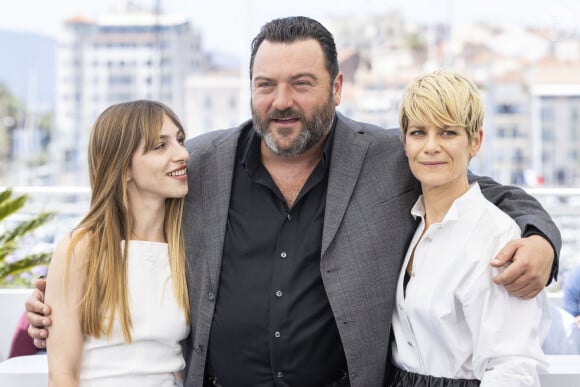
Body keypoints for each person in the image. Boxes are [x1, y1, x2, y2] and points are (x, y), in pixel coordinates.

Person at [27, 17, 560, 387]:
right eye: (266, 84)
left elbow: (484, 190)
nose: (281, 101)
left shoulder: (385, 157)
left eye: (301, 83)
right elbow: (122, 214)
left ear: (337, 87)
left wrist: (540, 241)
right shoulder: (201, 163)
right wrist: (60, 297)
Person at [386, 70, 550, 386]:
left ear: (475, 141)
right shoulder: (412, 224)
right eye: (419, 133)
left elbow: (513, 368)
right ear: (405, 143)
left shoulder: (495, 238)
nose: (430, 146)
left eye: (448, 133)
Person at [44, 100, 191, 386]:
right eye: (160, 145)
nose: (183, 153)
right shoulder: (80, 248)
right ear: (123, 168)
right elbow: (62, 375)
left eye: (179, 140)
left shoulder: (184, 247)